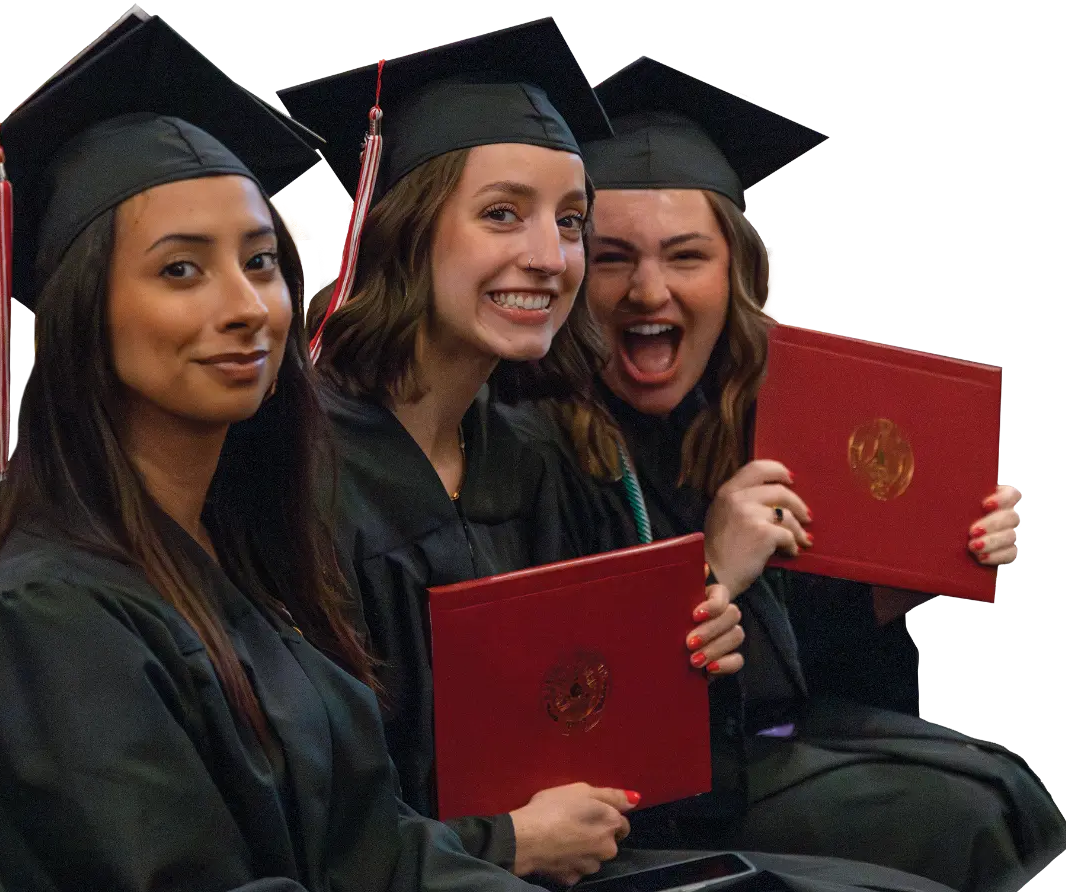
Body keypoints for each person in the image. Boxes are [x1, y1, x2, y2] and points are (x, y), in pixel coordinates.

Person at [272, 24, 961, 892]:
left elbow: (596, 731)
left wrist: (685, 652)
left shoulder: (536, 456)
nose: (548, 257)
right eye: (501, 215)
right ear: (402, 228)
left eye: (568, 222)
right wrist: (502, 843)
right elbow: (296, 811)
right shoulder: (299, 473)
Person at [0, 12, 543, 891]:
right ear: (80, 315)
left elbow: (370, 854)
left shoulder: (247, 558)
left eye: (261, 261)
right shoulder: (52, 621)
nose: (248, 307)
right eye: (181, 270)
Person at [497, 56, 1066, 892]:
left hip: (758, 753)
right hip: (648, 809)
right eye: (613, 257)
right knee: (967, 822)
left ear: (738, 275)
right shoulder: (527, 438)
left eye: (686, 256)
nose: (647, 291)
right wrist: (710, 571)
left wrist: (893, 587)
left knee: (1012, 786)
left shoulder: (760, 413)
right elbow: (566, 712)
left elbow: (798, 677)